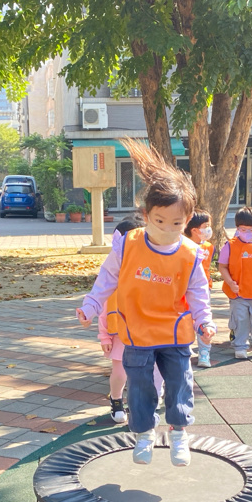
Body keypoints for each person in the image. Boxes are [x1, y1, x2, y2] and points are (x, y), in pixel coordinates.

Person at [77, 139, 216, 467]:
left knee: (180, 382)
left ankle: (179, 433)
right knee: (139, 386)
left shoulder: (191, 254)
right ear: (146, 215)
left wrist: (204, 321)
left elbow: (198, 292)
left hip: (174, 332)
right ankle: (143, 434)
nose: (168, 229)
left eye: (177, 223)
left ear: (188, 219)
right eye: (160, 221)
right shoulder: (128, 244)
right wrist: (91, 306)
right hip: (137, 332)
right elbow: (107, 279)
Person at [99, 217, 163, 424]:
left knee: (149, 370)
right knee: (120, 372)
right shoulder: (112, 271)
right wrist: (104, 336)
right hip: (120, 332)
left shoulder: (154, 265)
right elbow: (104, 305)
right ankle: (116, 399)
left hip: (148, 331)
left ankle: (144, 404)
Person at [219, 206, 252, 360]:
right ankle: (240, 346)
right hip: (237, 292)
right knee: (240, 319)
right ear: (237, 228)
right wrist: (230, 282)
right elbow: (222, 266)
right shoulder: (230, 245)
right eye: (243, 229)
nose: (247, 233)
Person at [185, 211, 214, 368]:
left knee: (204, 320)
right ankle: (186, 347)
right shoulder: (183, 246)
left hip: (204, 289)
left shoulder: (208, 246)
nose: (209, 229)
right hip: (184, 290)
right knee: (187, 319)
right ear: (194, 230)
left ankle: (204, 352)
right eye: (206, 226)